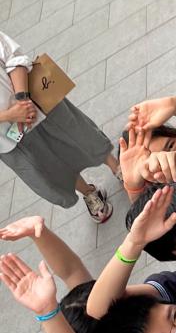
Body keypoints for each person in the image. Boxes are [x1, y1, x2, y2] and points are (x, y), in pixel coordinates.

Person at [0, 29, 118, 222]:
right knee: (51, 165)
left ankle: (117, 166)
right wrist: (8, 115)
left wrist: (22, 100)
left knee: (78, 133)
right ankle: (89, 192)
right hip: (6, 139)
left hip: (33, 100)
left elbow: (11, 56)